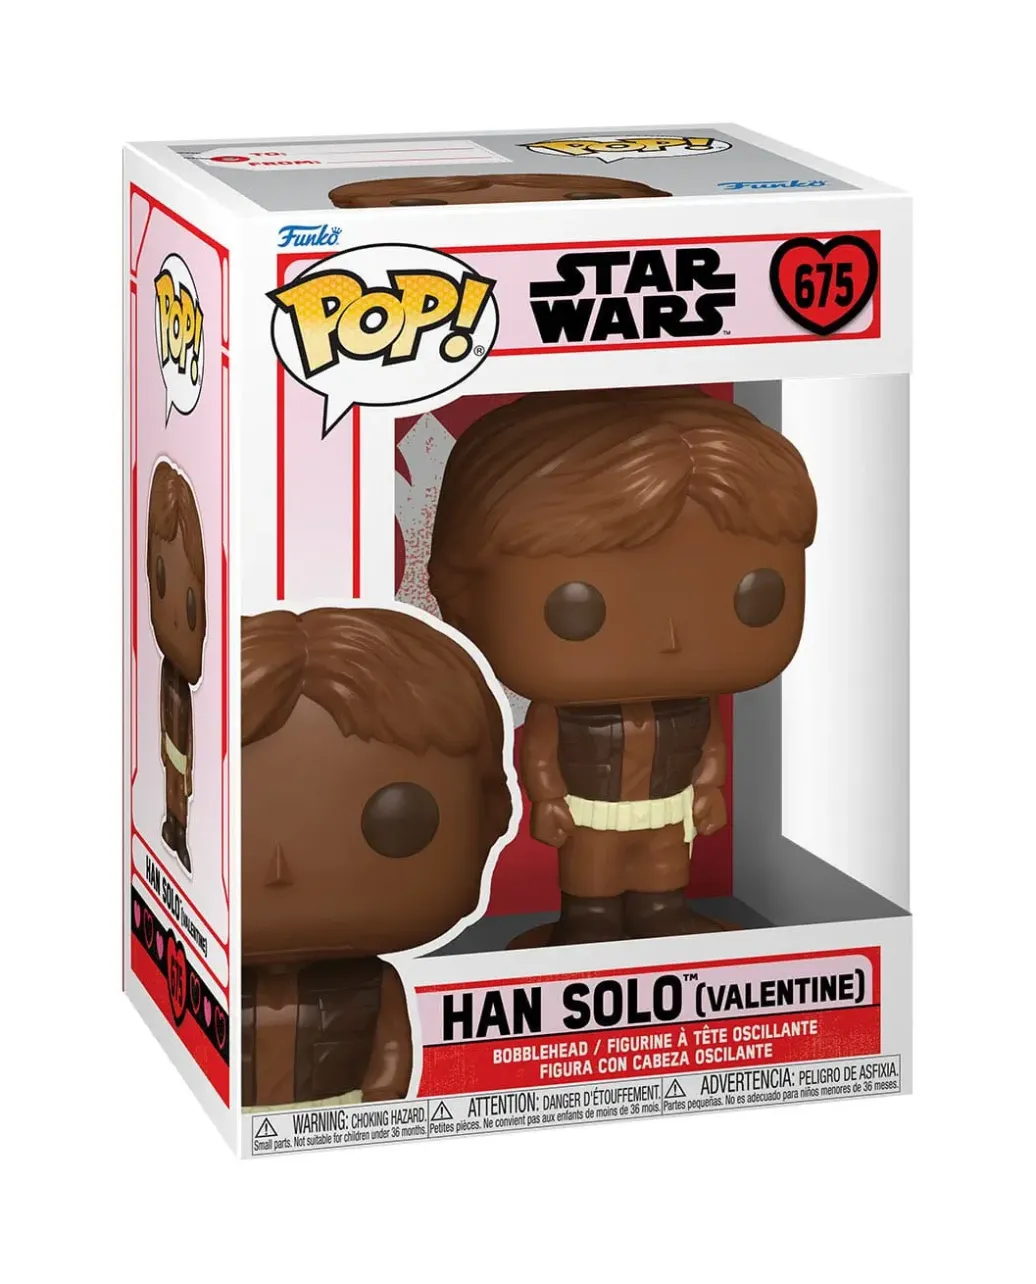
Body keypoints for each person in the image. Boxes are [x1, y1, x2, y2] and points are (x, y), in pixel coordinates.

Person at [428, 387, 816, 944]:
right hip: (591, 812)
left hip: (668, 808)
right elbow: (540, 751)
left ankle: (662, 912)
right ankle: (588, 919)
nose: (670, 639)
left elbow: (710, 744)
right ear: (462, 597)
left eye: (753, 597)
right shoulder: (562, 710)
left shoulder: (695, 704)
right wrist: (549, 799)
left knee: (664, 868)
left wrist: (709, 788)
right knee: (593, 873)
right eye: (577, 607)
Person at [240, 607, 511, 1107]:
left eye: (397, 822)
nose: (280, 870)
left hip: (345, 1111)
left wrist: (383, 1098)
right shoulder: (207, 979)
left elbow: (391, 1050)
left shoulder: (373, 985)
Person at [146, 461, 206, 877]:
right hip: (172, 743)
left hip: (180, 746)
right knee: (172, 781)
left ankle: (179, 830)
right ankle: (173, 828)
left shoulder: (181, 681)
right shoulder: (170, 673)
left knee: (178, 784)